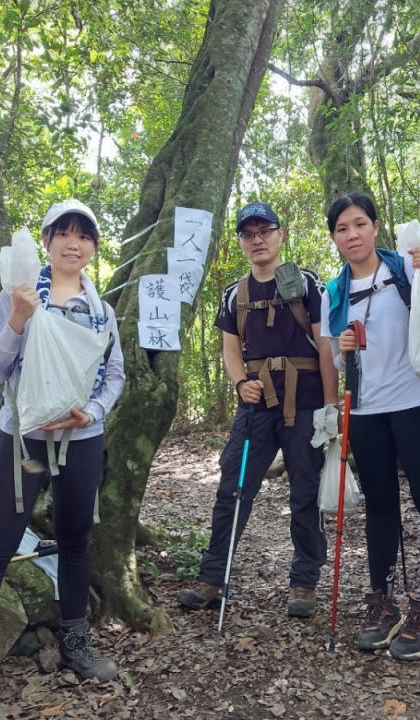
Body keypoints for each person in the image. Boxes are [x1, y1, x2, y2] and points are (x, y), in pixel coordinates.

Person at [0, 200, 124, 720]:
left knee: (74, 540)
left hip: (82, 437)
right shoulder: (16, 297)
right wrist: (19, 320)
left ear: (93, 247)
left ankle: (75, 642)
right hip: (21, 437)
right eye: (64, 233)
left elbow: (114, 374)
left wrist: (91, 412)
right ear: (47, 241)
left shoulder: (101, 310)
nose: (74, 243)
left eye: (84, 236)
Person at [176, 202, 338, 618]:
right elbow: (231, 350)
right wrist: (238, 383)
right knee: (233, 486)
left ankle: (304, 583)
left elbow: (325, 345)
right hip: (257, 402)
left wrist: (329, 405)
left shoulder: (307, 283)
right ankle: (213, 579)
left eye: (265, 231)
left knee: (305, 490)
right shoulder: (235, 294)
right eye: (249, 234)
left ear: (280, 235)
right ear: (242, 243)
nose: (258, 240)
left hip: (304, 402)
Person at [319, 192, 420, 661]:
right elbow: (337, 361)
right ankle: (382, 602)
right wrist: (342, 349)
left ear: (375, 227)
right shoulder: (333, 292)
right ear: (334, 236)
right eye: (342, 228)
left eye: (359, 224)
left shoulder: (405, 266)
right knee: (380, 505)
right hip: (366, 409)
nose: (351, 234)